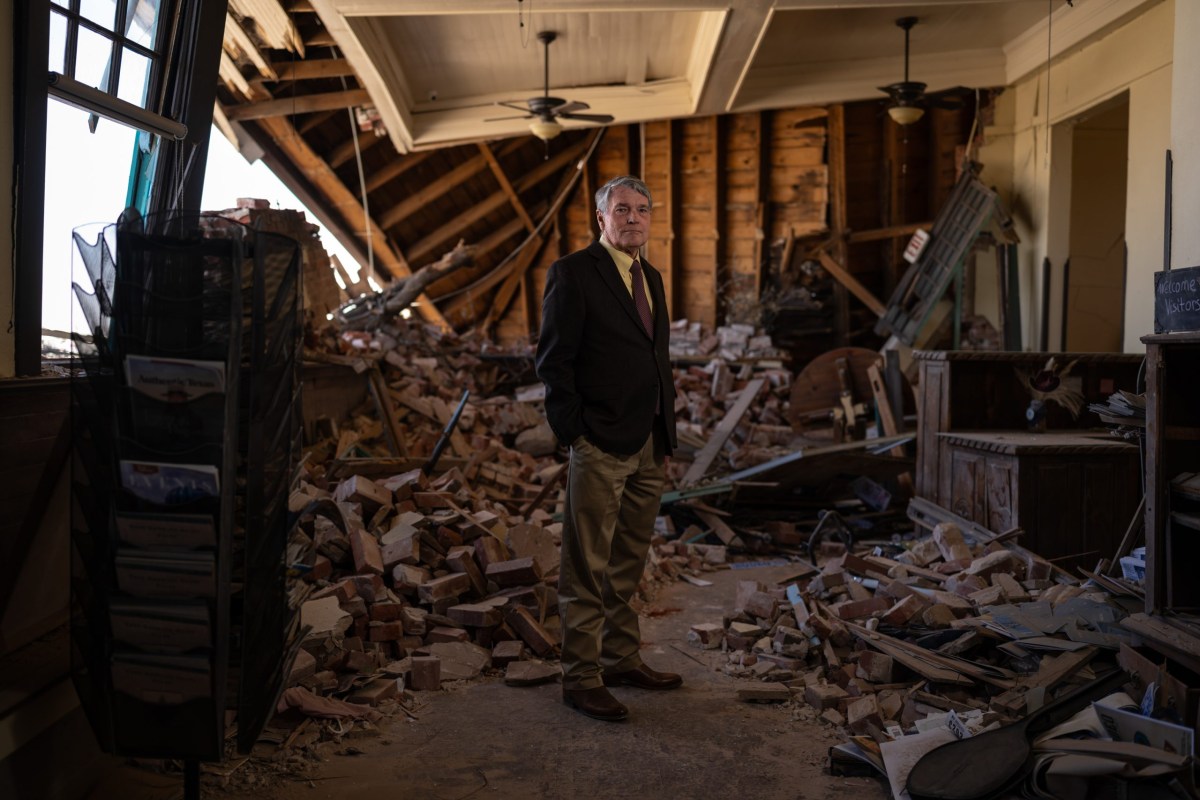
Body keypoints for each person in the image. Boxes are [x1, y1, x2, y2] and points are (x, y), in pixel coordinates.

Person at [535, 175, 681, 722]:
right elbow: (554, 362)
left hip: (648, 442)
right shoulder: (572, 274)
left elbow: (654, 360)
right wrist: (576, 433)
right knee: (586, 564)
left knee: (626, 561)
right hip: (599, 441)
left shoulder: (653, 278)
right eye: (622, 209)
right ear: (601, 217)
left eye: (643, 210)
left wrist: (665, 433)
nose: (634, 219)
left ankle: (620, 658)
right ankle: (581, 677)